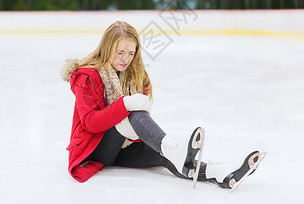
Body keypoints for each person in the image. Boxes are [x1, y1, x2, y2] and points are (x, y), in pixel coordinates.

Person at [62, 21, 264, 189]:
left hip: (125, 148)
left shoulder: (135, 75)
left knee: (165, 156)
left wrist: (132, 119)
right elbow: (90, 123)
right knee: (134, 112)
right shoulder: (87, 77)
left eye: (131, 53)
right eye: (120, 52)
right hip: (95, 149)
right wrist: (126, 104)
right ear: (107, 49)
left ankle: (220, 173)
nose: (126, 59)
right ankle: (174, 149)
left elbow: (139, 118)